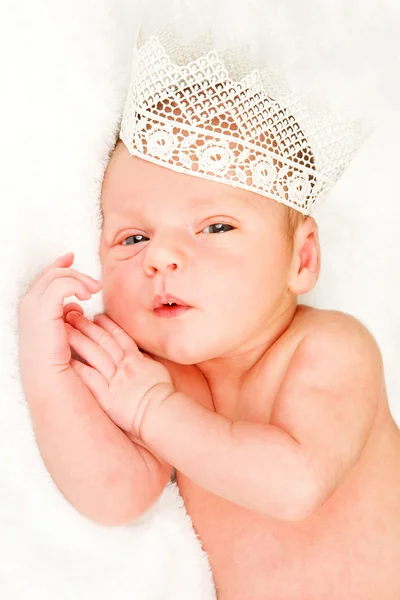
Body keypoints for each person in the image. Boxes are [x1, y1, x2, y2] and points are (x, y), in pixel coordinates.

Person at [17, 23, 400, 599]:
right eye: (132, 238)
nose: (163, 257)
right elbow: (114, 497)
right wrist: (47, 374)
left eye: (215, 227)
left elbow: (296, 484)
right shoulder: (163, 382)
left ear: (302, 259)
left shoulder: (329, 348)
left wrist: (151, 409)